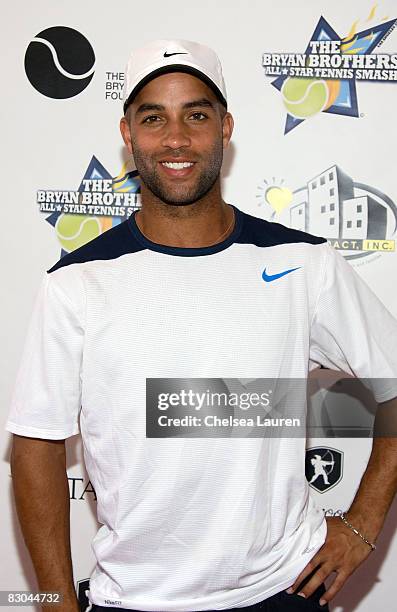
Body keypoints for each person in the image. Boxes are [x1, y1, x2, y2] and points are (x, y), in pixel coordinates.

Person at [6, 38, 397, 612]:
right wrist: (56, 603)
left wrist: (361, 524)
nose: (176, 139)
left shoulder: (302, 263)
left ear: (225, 127)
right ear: (128, 134)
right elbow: (37, 443)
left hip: (282, 590)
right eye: (153, 117)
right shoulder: (76, 281)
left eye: (196, 114)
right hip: (134, 599)